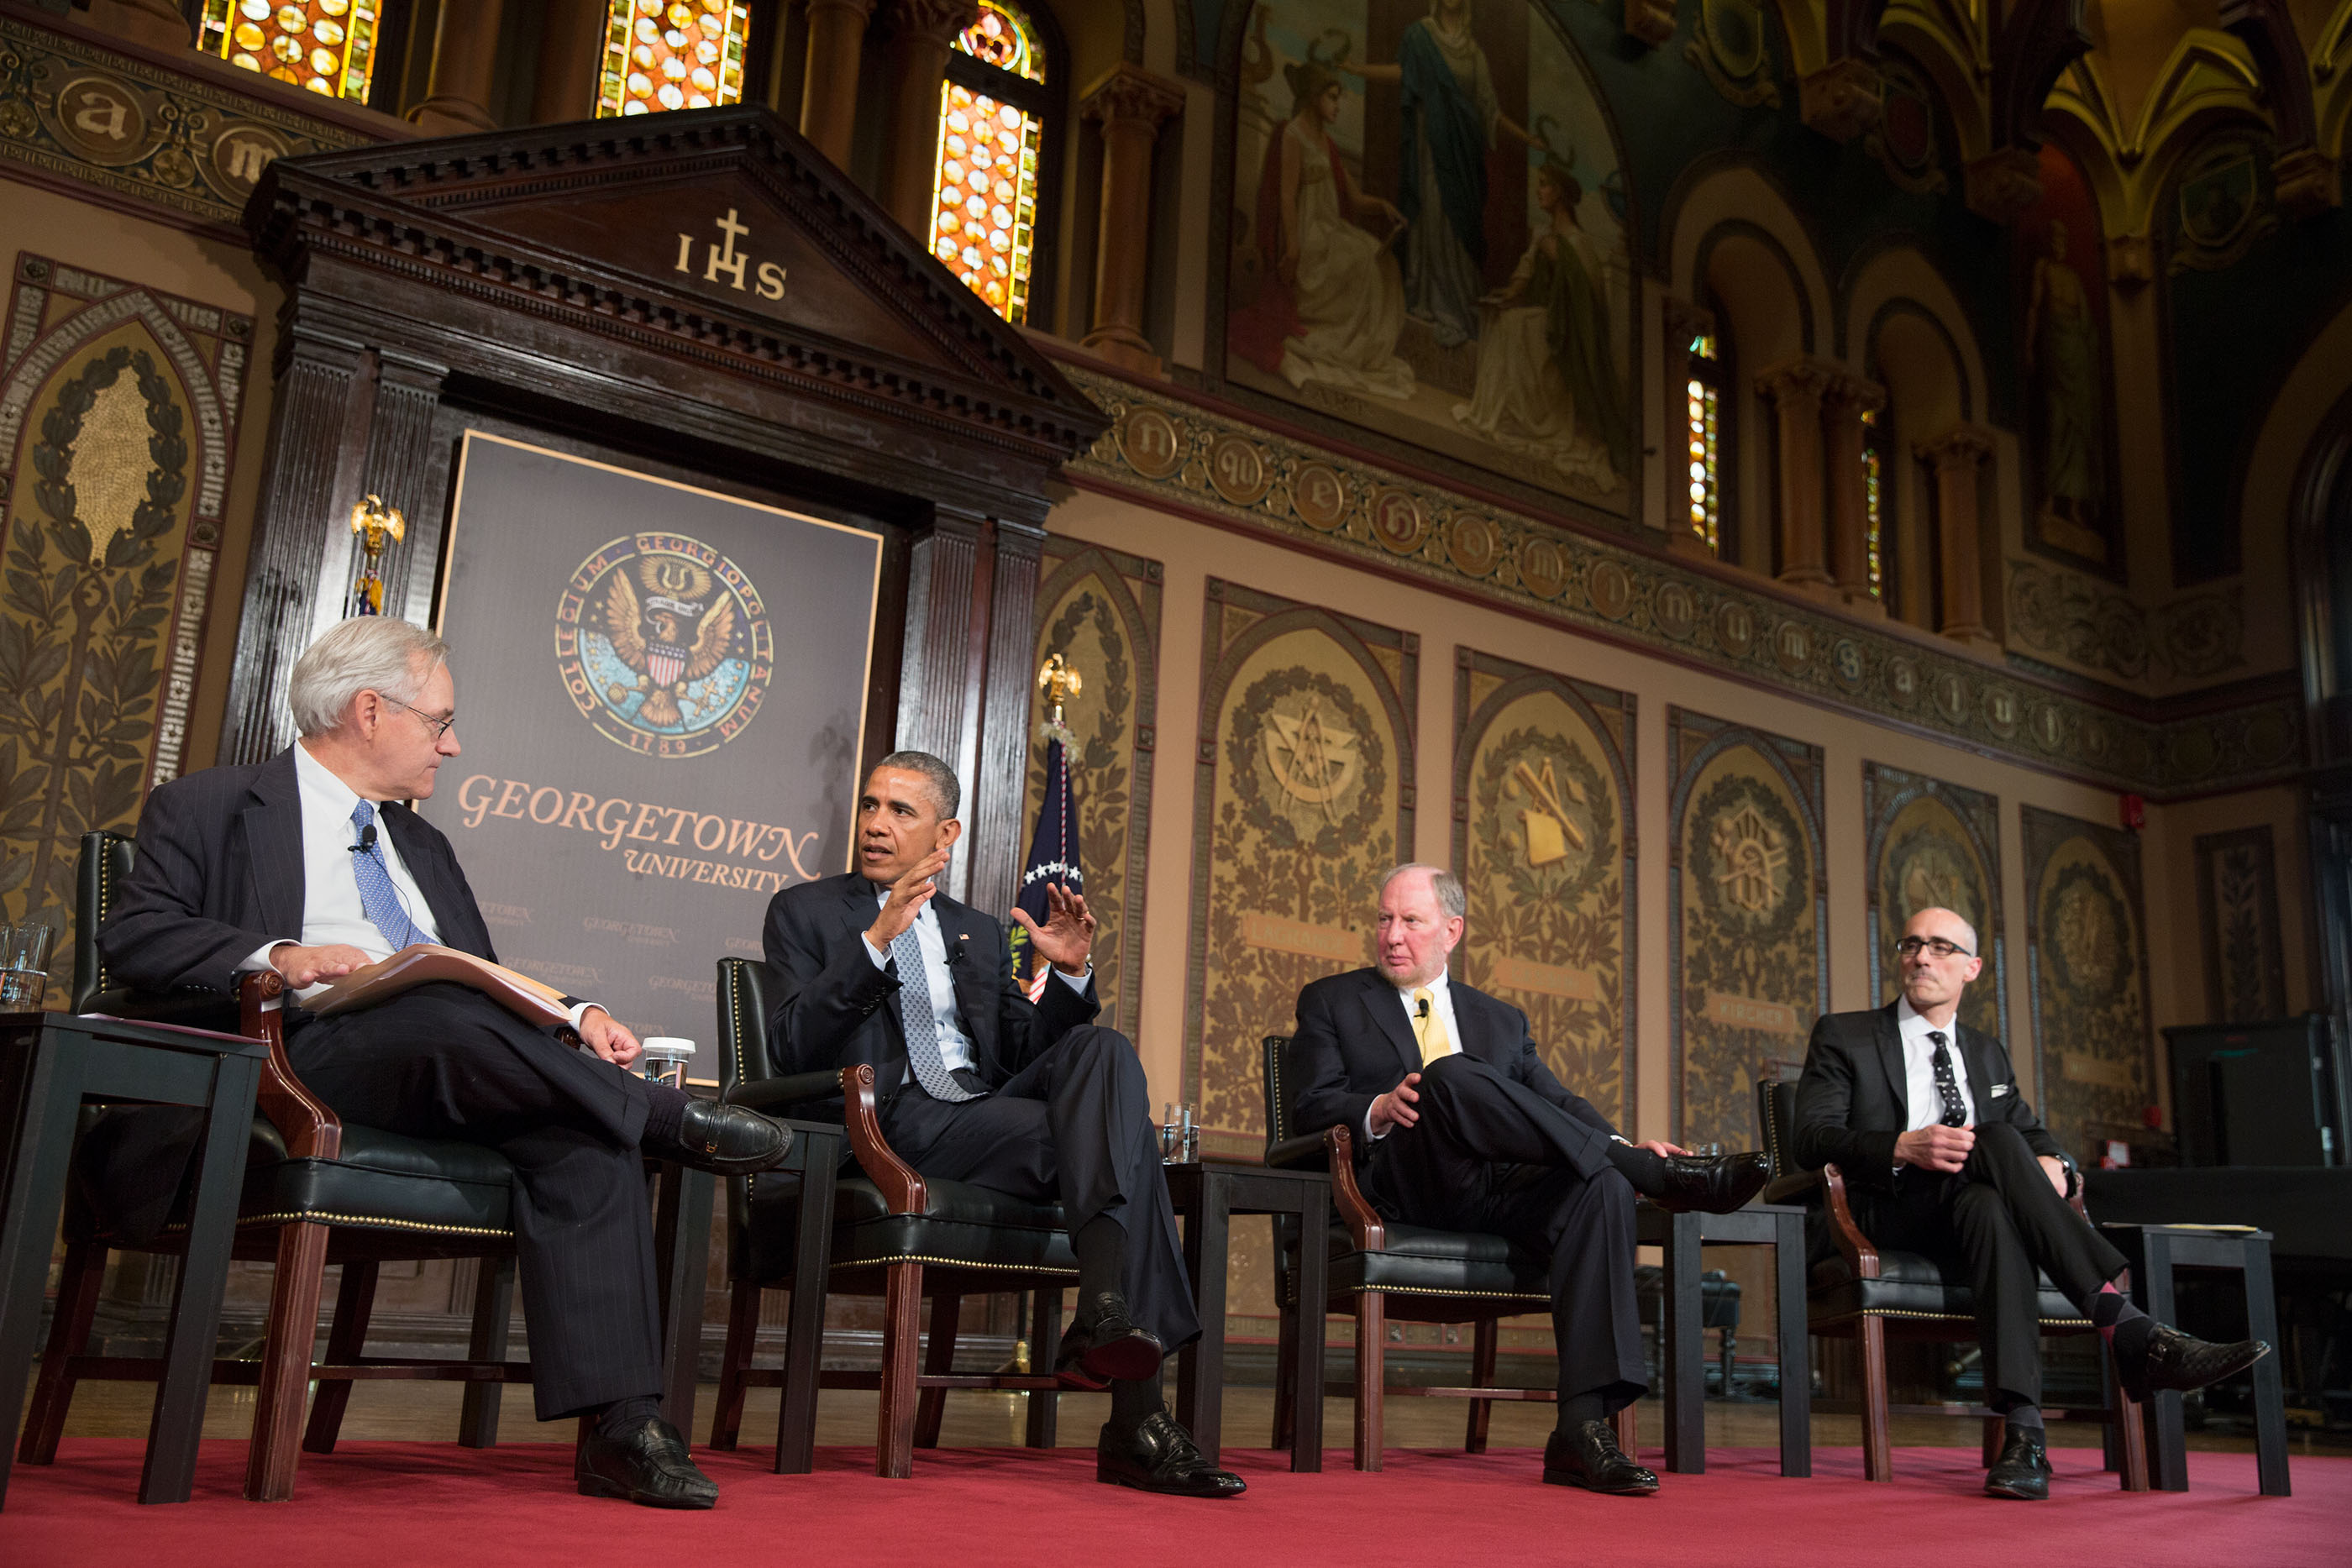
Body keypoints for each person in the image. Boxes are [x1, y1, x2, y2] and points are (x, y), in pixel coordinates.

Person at [100, 616, 794, 1510]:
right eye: (441, 722)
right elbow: (137, 935)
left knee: (577, 1126)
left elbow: (478, 975)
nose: (453, 745)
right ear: (368, 709)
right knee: (436, 1007)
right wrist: (277, 953)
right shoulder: (209, 805)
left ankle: (626, 1428)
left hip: (435, 1056)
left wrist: (577, 1012)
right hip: (298, 1062)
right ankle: (665, 1118)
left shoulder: (420, 844)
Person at [760, 750, 1243, 1498]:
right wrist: (877, 938)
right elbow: (790, 1043)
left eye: (900, 811)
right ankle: (1137, 1424)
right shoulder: (808, 910)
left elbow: (1028, 1053)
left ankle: (1106, 1313)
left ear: (945, 832)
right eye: (870, 806)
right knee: (1129, 1147)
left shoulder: (979, 931)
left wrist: (1071, 977)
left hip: (978, 1113)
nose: (876, 825)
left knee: (1102, 1049)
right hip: (891, 1120)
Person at [1286, 863, 1770, 1494]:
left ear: (1452, 930)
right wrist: (1373, 1108)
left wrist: (1619, 1143)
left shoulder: (1502, 1020)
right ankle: (1656, 1176)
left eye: (1411, 920)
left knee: (1600, 1185)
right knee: (1449, 1074)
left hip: (1496, 1193)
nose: (1392, 935)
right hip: (1402, 1187)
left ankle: (1580, 1427)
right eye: (1384, 919)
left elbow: (1558, 1103)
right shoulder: (1333, 999)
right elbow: (1308, 1107)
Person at [1793, 905, 2270, 1500]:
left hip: (1965, 1214)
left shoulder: (1987, 1052)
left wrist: (2061, 1166)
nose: (1921, 957)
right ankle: (2124, 1322)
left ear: (1972, 967)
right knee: (1994, 1142)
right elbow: (1808, 1137)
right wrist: (1900, 1144)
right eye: (1911, 944)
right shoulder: (1847, 1033)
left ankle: (2025, 1436)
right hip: (1881, 1209)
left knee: (1992, 1204)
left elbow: (2036, 1135)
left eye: (1940, 947)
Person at [1346, 0, 1542, 348]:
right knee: (1431, 210)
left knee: (1458, 223)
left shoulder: (1474, 53)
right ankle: (1424, 296)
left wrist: (1527, 139)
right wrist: (1358, 70)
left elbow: (1490, 110)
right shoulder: (1419, 35)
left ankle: (1456, 303)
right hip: (1429, 149)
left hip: (1463, 156)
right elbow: (1403, 72)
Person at [1231, 59, 1415, 399]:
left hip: (1332, 229)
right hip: (1309, 234)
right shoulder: (1293, 134)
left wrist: (1384, 206)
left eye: (1339, 98)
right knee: (1361, 259)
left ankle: (1363, 350)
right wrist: (1294, 248)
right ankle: (1344, 344)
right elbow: (1286, 197)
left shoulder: (1326, 143)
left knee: (1379, 258)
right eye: (1332, 97)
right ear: (1314, 97)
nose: (1337, 105)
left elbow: (1355, 198)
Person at [1453, 159, 1630, 492]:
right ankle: (1507, 412)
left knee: (1518, 326)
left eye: (1545, 184)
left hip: (1564, 329)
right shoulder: (1542, 235)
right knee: (1508, 319)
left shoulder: (1578, 243)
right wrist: (1505, 295)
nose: (1539, 191)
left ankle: (1530, 417)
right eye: (1539, 184)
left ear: (1560, 194)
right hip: (1544, 317)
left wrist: (1560, 260)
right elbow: (1523, 275)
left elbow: (1588, 303)